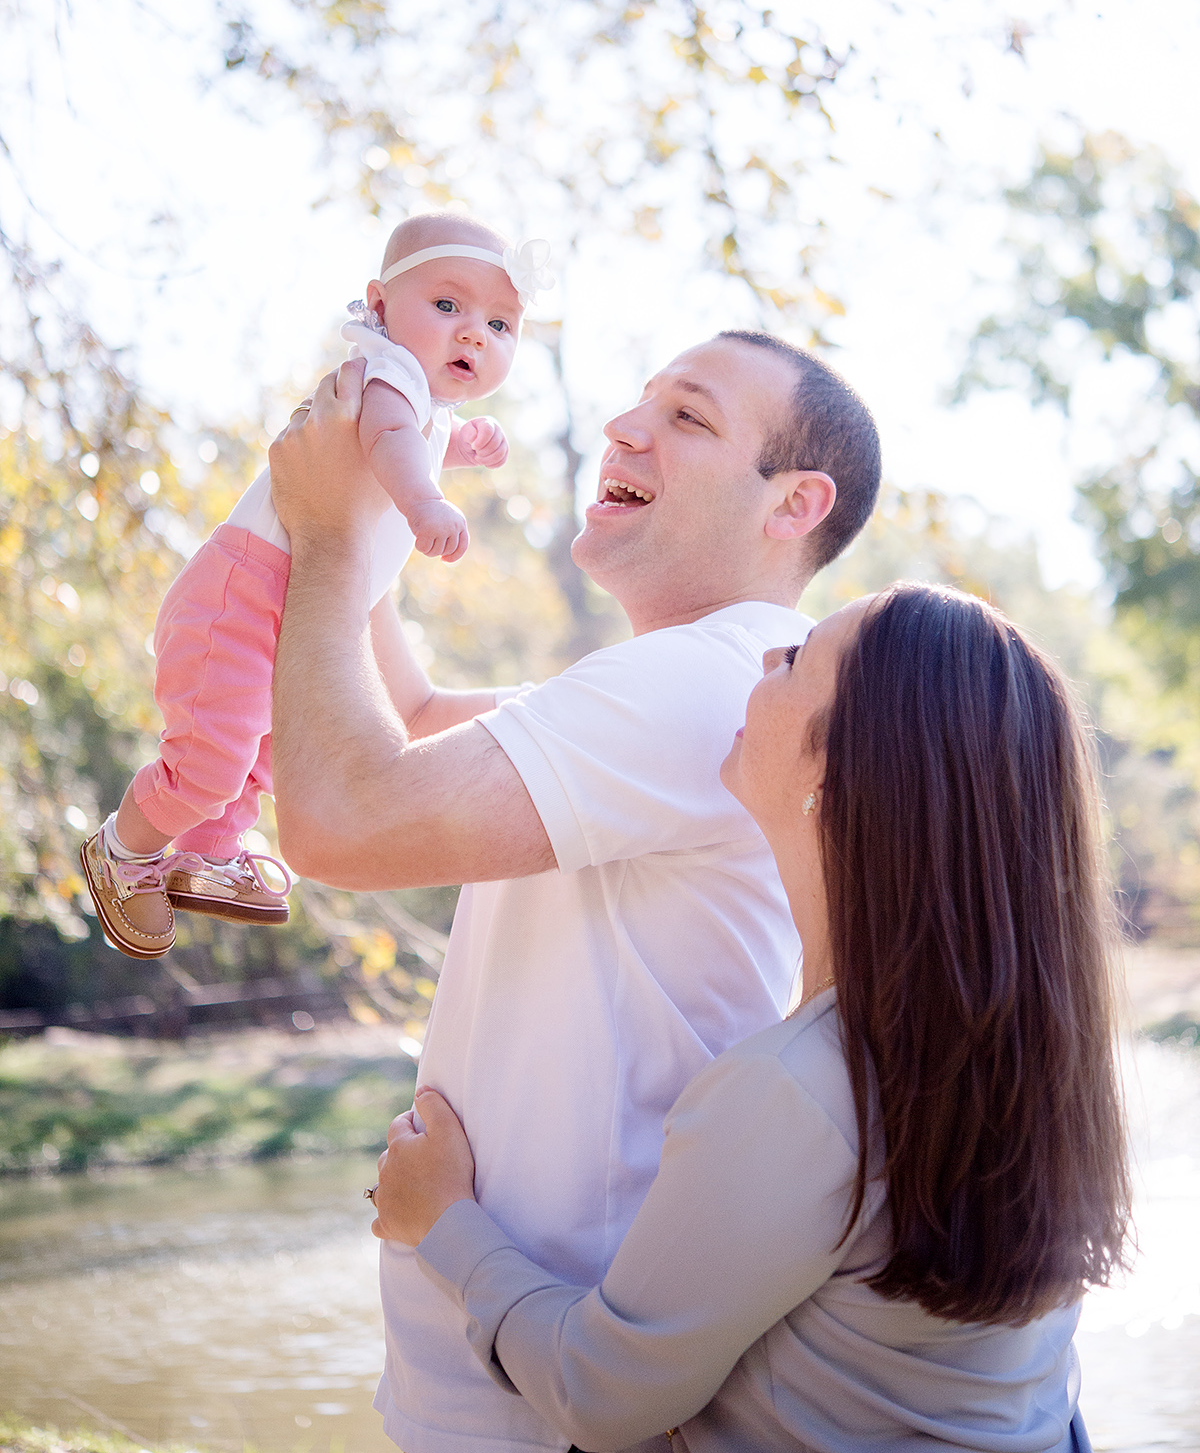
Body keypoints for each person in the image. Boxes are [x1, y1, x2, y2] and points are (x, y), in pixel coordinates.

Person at [266, 329, 882, 1453]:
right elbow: (408, 720)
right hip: (518, 1377)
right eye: (641, 399)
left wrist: (324, 535)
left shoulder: (707, 679)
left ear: (794, 503)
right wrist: (360, 508)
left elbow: (340, 820)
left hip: (553, 1392)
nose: (623, 427)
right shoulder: (694, 674)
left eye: (688, 416)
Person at [371, 583, 1131, 1453]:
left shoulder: (796, 1091)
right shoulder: (1025, 1065)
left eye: (797, 660)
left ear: (834, 774)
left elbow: (599, 1390)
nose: (766, 656)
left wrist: (443, 1218)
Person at [80, 211, 550, 961]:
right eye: (448, 305)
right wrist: (426, 500)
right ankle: (120, 850)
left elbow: (411, 438)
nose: (474, 335)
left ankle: (209, 852)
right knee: (209, 761)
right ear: (381, 305)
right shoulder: (387, 375)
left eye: (500, 324)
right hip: (243, 594)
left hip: (288, 605)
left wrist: (460, 444)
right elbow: (389, 439)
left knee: (260, 751)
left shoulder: (419, 404)